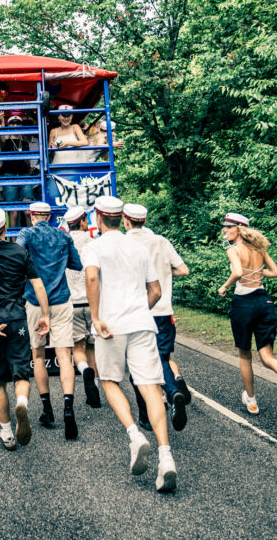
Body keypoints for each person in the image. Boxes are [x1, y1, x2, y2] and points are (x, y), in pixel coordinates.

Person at [83, 196, 178, 493]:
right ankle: (166, 457)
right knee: (150, 386)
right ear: (120, 217)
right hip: (142, 323)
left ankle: (135, 436)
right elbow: (156, 290)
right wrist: (140, 308)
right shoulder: (138, 248)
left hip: (111, 325)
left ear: (99, 218)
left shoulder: (94, 247)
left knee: (110, 380)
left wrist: (96, 317)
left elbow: (91, 276)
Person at [0, 207, 50, 450]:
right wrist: (46, 315)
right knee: (21, 374)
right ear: (6, 227)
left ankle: (6, 432)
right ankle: (23, 403)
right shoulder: (19, 251)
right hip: (17, 320)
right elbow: (38, 285)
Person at [216, 213, 277, 417]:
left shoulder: (233, 249)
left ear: (239, 229)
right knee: (267, 356)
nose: (225, 230)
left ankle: (252, 401)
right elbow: (275, 272)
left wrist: (224, 286)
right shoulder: (259, 249)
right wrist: (256, 271)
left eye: (229, 227)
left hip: (244, 305)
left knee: (245, 354)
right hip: (264, 303)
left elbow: (237, 272)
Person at [123, 203, 192, 432]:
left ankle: (145, 416)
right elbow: (183, 270)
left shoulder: (124, 243)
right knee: (161, 358)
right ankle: (173, 393)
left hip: (136, 312)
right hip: (163, 312)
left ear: (126, 220)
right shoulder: (161, 241)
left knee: (136, 365)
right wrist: (163, 271)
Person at [17, 202, 83, 439]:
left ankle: (47, 410)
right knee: (64, 355)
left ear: (32, 216)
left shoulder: (27, 234)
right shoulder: (62, 236)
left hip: (35, 302)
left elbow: (18, 258)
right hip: (62, 300)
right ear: (50, 215)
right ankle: (68, 409)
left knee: (38, 355)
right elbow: (76, 264)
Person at [63, 205, 101, 408]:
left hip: (72, 303)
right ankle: (93, 386)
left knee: (78, 348)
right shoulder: (94, 243)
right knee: (93, 346)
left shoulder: (64, 244)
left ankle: (84, 368)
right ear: (83, 221)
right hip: (93, 303)